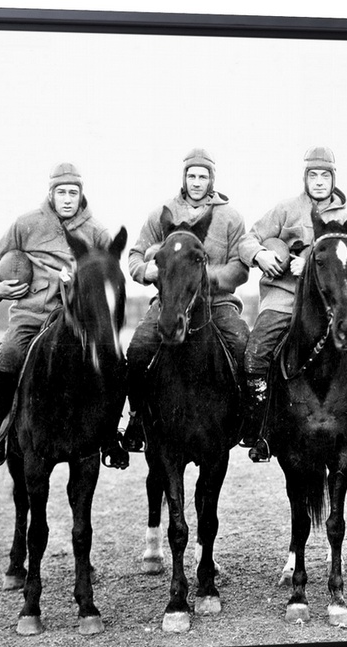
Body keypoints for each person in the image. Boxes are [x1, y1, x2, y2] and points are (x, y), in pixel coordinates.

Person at [237, 146, 347, 462]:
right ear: (305, 177)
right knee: (254, 354)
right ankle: (261, 428)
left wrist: (307, 263)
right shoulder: (285, 209)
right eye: (313, 175)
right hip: (284, 297)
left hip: (327, 304)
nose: (319, 182)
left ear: (333, 178)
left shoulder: (344, 218)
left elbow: (346, 261)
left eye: (325, 175)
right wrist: (260, 255)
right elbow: (248, 239)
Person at [0, 162, 114, 467]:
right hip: (31, 316)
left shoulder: (97, 232)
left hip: (76, 322)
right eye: (61, 192)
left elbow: (108, 276)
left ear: (81, 195)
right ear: (51, 194)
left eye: (73, 193)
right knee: (9, 356)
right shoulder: (26, 224)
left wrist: (80, 279)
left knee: (112, 363)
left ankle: (109, 438)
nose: (67, 199)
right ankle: (0, 436)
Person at [121, 148, 250, 452]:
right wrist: (146, 271)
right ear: (184, 178)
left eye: (202, 176)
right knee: (138, 349)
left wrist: (208, 277)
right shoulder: (162, 213)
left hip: (216, 304)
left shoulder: (230, 217)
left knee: (245, 346)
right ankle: (137, 420)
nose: (196, 182)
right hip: (170, 303)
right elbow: (136, 255)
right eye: (191, 175)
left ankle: (248, 421)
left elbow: (240, 268)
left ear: (211, 179)